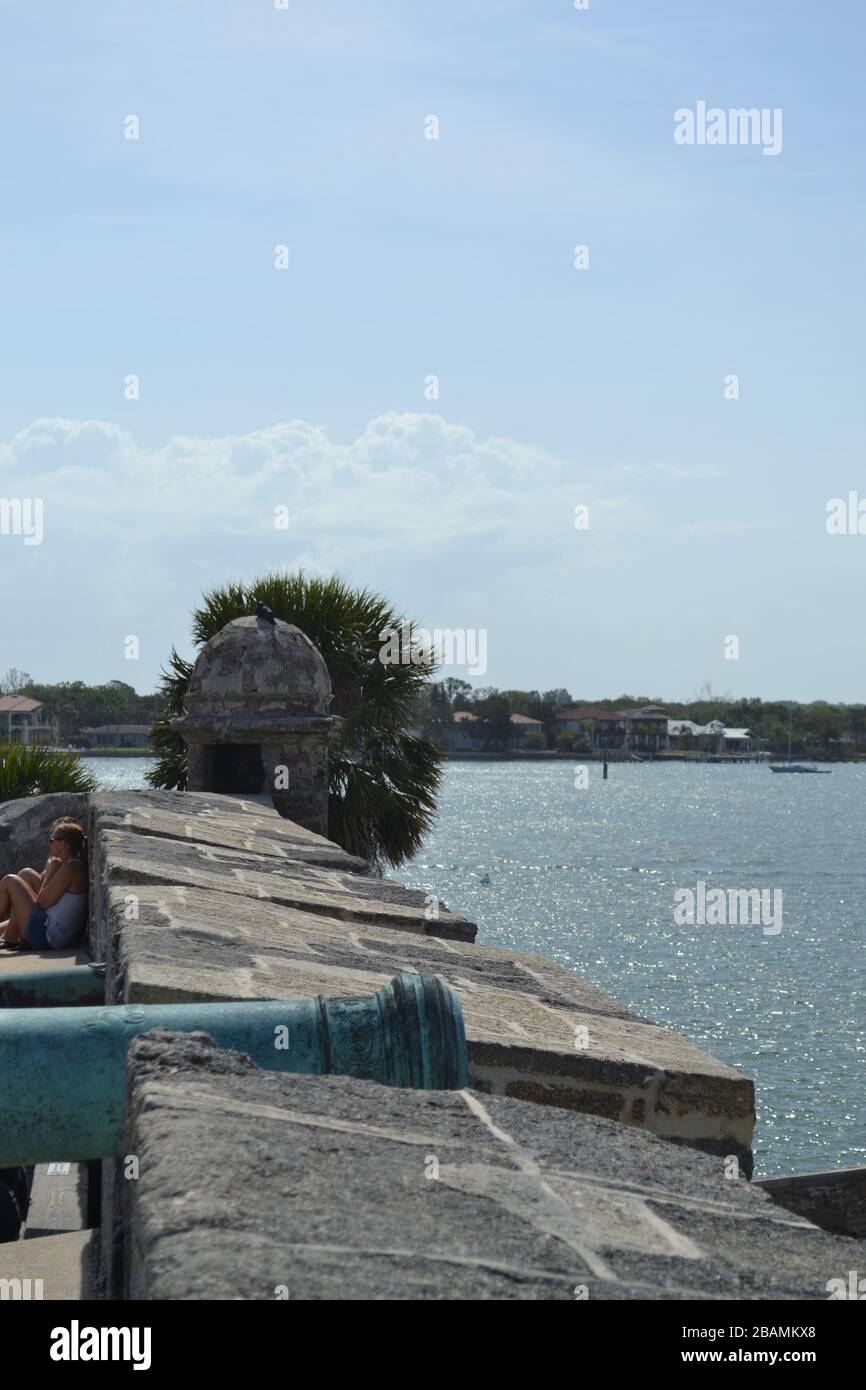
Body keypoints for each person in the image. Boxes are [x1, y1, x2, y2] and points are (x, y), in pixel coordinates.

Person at [0, 819, 89, 951]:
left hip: (47, 937)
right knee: (26, 874)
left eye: (52, 839)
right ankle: (10, 936)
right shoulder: (75, 864)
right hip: (59, 934)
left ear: (62, 844)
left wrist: (52, 871)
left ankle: (11, 936)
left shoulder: (70, 869)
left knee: (9, 881)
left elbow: (41, 902)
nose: (49, 844)